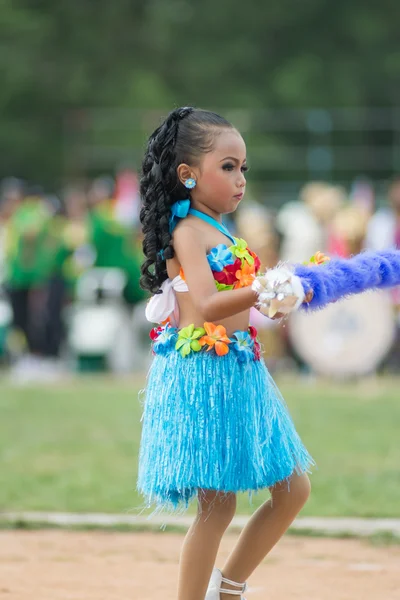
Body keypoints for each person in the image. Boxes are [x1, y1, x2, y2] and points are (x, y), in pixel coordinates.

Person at [137, 107, 314, 600]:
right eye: (228, 167)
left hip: (239, 366)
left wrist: (275, 302)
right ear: (187, 175)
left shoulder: (221, 229)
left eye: (244, 169)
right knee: (217, 508)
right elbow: (211, 305)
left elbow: (237, 303)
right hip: (202, 374)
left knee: (293, 489)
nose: (240, 179)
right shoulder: (187, 232)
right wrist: (264, 287)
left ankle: (229, 587)